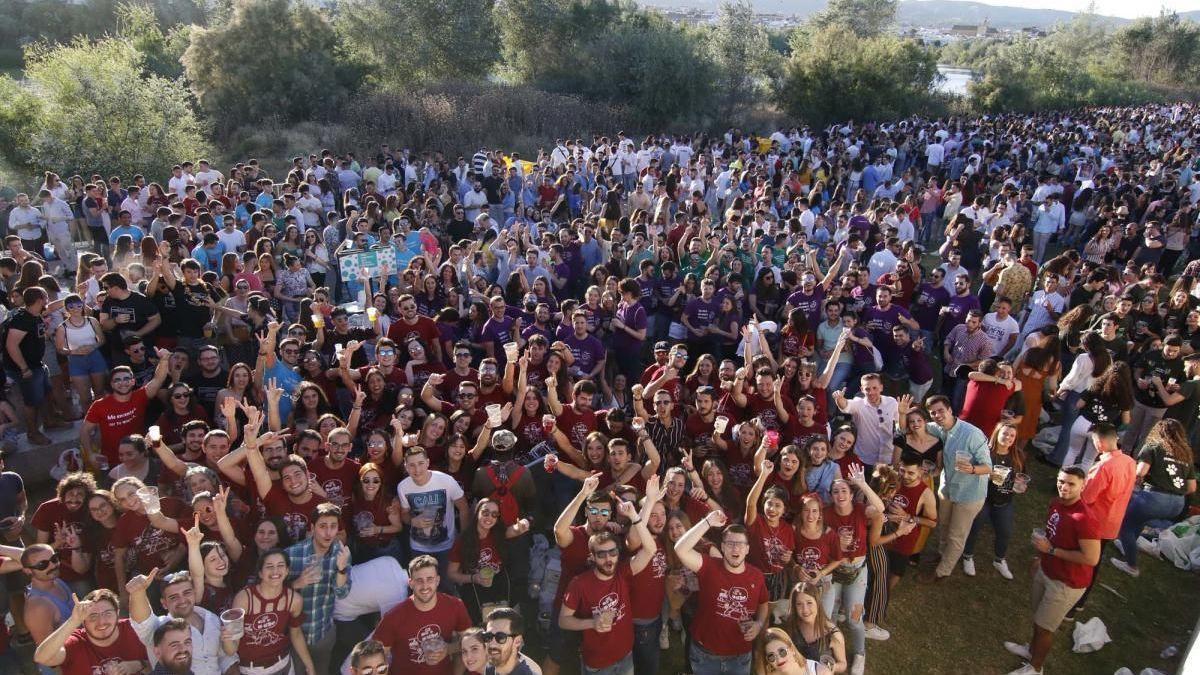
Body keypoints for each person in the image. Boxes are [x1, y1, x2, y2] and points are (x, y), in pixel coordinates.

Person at [1003, 466, 1100, 675]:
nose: (1064, 487)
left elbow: (1091, 558)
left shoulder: (1084, 519)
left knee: (1045, 628)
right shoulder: (1056, 503)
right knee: (1038, 619)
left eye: (1071, 484)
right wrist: (1041, 556)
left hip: (1066, 583)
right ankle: (1031, 651)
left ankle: (1036, 668)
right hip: (1047, 570)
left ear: (1083, 486)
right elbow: (1051, 534)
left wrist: (1052, 551)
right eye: (1061, 481)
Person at [558, 482, 657, 675]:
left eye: (612, 553)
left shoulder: (621, 571)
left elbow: (646, 547)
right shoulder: (579, 581)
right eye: (601, 554)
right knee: (558, 656)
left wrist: (648, 503)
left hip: (624, 655)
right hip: (575, 616)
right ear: (592, 557)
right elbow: (559, 531)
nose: (608, 558)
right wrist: (583, 493)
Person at [674, 507, 770, 675]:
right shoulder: (709, 566)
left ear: (747, 549)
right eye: (731, 544)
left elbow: (763, 604)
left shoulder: (757, 576)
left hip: (740, 657)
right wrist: (708, 521)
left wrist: (759, 624)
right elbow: (680, 549)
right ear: (723, 547)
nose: (735, 549)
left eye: (740, 544)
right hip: (705, 655)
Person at [911, 395, 991, 583]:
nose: (937, 415)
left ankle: (941, 572)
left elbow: (988, 467)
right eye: (933, 413)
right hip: (947, 489)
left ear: (950, 410)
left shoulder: (972, 434)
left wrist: (971, 469)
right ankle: (941, 554)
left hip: (970, 494)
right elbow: (911, 426)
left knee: (956, 535)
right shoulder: (936, 428)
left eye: (941, 411)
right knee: (944, 526)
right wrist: (903, 413)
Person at [1110, 419, 1197, 577]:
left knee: (1126, 525)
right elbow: (1191, 488)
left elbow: (1140, 472)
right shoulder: (1186, 455)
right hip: (1177, 503)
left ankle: (1132, 566)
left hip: (1154, 498)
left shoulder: (1153, 446)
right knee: (1140, 518)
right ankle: (1127, 546)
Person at [371, 554, 471, 674]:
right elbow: (373, 659)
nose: (425, 586)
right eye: (419, 581)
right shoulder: (393, 617)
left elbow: (472, 642)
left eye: (430, 579)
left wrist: (448, 649)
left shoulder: (455, 606)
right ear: (411, 583)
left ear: (438, 580)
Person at [283, 502, 352, 675]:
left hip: (324, 632)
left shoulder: (341, 554)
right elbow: (274, 593)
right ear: (312, 527)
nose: (328, 533)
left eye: (333, 526)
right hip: (295, 635)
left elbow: (341, 593)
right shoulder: (291, 554)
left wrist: (342, 569)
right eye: (322, 526)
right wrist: (297, 583)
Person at [33, 588, 150, 674]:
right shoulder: (75, 641)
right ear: (83, 620)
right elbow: (41, 658)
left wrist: (138, 665)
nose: (101, 622)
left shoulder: (135, 629)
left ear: (117, 613)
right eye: (93, 616)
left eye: (107, 613)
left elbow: (162, 664)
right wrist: (73, 621)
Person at [961, 422, 1022, 580]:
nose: (1008, 437)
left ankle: (999, 560)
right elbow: (971, 474)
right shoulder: (985, 453)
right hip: (983, 499)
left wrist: (1020, 486)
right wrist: (987, 475)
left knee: (1005, 531)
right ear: (996, 434)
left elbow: (1020, 478)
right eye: (1005, 433)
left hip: (1004, 501)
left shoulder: (1018, 456)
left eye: (1012, 435)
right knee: (975, 526)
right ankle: (967, 556)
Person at [483, 607, 542, 675]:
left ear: (517, 641)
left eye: (500, 637)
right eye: (488, 636)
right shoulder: (490, 668)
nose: (492, 644)